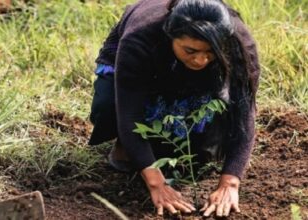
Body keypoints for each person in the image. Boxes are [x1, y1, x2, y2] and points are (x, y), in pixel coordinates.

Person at [88, 0, 260, 217]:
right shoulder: (139, 38)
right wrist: (156, 184)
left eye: (210, 51)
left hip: (199, 62)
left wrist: (230, 182)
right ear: (171, 36)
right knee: (108, 105)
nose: (200, 59)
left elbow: (245, 114)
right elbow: (129, 113)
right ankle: (125, 146)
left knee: (202, 151)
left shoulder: (238, 43)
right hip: (148, 54)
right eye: (191, 50)